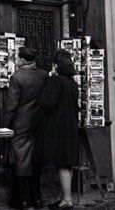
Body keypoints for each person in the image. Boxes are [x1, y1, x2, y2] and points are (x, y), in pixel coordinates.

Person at [4, 47, 48, 209]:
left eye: (17, 57)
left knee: (21, 160)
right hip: (39, 122)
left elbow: (11, 106)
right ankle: (37, 199)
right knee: (35, 160)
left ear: (22, 60)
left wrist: (5, 126)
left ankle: (23, 201)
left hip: (21, 123)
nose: (16, 60)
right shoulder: (44, 75)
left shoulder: (17, 77)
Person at [36, 50, 79, 210]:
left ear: (56, 64)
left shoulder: (56, 80)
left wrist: (48, 80)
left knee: (62, 164)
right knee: (67, 163)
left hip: (59, 129)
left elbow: (47, 102)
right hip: (71, 127)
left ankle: (66, 201)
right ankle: (65, 199)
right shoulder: (72, 83)